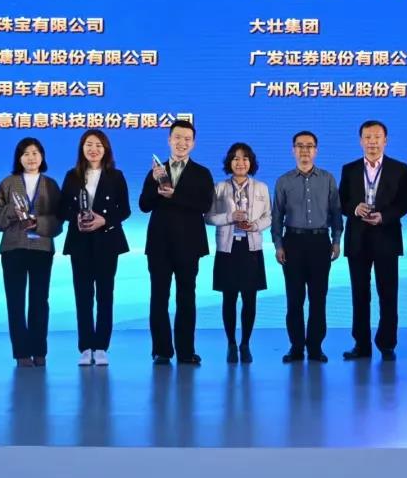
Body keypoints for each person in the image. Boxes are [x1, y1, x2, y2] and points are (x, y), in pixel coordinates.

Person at [140, 119, 215, 366]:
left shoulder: (202, 173)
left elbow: (204, 205)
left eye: (187, 139)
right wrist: (154, 186)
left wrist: (175, 195)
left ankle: (185, 351)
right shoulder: (157, 170)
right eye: (177, 138)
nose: (182, 143)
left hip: (189, 245)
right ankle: (161, 350)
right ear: (169, 140)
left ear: (193, 143)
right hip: (159, 245)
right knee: (158, 297)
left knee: (186, 298)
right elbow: (144, 205)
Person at [338, 120, 407, 361]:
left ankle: (387, 343)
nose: (372, 142)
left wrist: (384, 216)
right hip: (357, 240)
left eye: (377, 137)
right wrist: (354, 208)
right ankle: (361, 344)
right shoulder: (349, 169)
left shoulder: (399, 168)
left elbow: (406, 202)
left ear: (385, 140)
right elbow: (341, 202)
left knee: (388, 294)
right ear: (361, 141)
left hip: (387, 238)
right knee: (360, 295)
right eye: (368, 137)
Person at [58, 129, 131, 367]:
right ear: (82, 148)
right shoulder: (72, 176)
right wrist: (76, 217)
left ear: (106, 149)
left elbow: (125, 210)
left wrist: (105, 220)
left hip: (107, 241)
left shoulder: (116, 176)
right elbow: (62, 208)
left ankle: (101, 347)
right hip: (80, 241)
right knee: (83, 295)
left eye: (99, 145)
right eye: (89, 144)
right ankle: (86, 346)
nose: (94, 149)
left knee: (105, 295)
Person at [0, 137, 62, 367]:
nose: (31, 158)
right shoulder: (8, 183)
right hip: (13, 247)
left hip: (42, 248)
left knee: (40, 300)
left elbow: (59, 219)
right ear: (19, 158)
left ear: (42, 157)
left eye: (35, 153)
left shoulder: (51, 184)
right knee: (15, 300)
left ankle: (39, 350)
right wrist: (13, 210)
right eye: (26, 153)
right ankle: (21, 353)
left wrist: (39, 223)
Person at [271, 131, 343, 363]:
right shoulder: (284, 181)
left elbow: (336, 213)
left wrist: (336, 240)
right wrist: (278, 244)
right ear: (293, 150)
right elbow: (276, 216)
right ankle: (296, 346)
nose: (305, 150)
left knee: (318, 299)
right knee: (294, 299)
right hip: (293, 242)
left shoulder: (328, 179)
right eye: (300, 146)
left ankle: (315, 347)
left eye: (309, 146)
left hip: (320, 243)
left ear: (316, 150)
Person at [205, 142, 271, 364]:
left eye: (244, 158)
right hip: (228, 248)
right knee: (229, 298)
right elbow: (208, 217)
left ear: (251, 162)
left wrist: (255, 225)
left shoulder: (261, 187)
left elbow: (269, 217)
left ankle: (245, 344)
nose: (240, 162)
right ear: (229, 163)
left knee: (250, 299)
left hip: (251, 248)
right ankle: (231, 344)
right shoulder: (220, 188)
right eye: (235, 158)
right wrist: (229, 218)